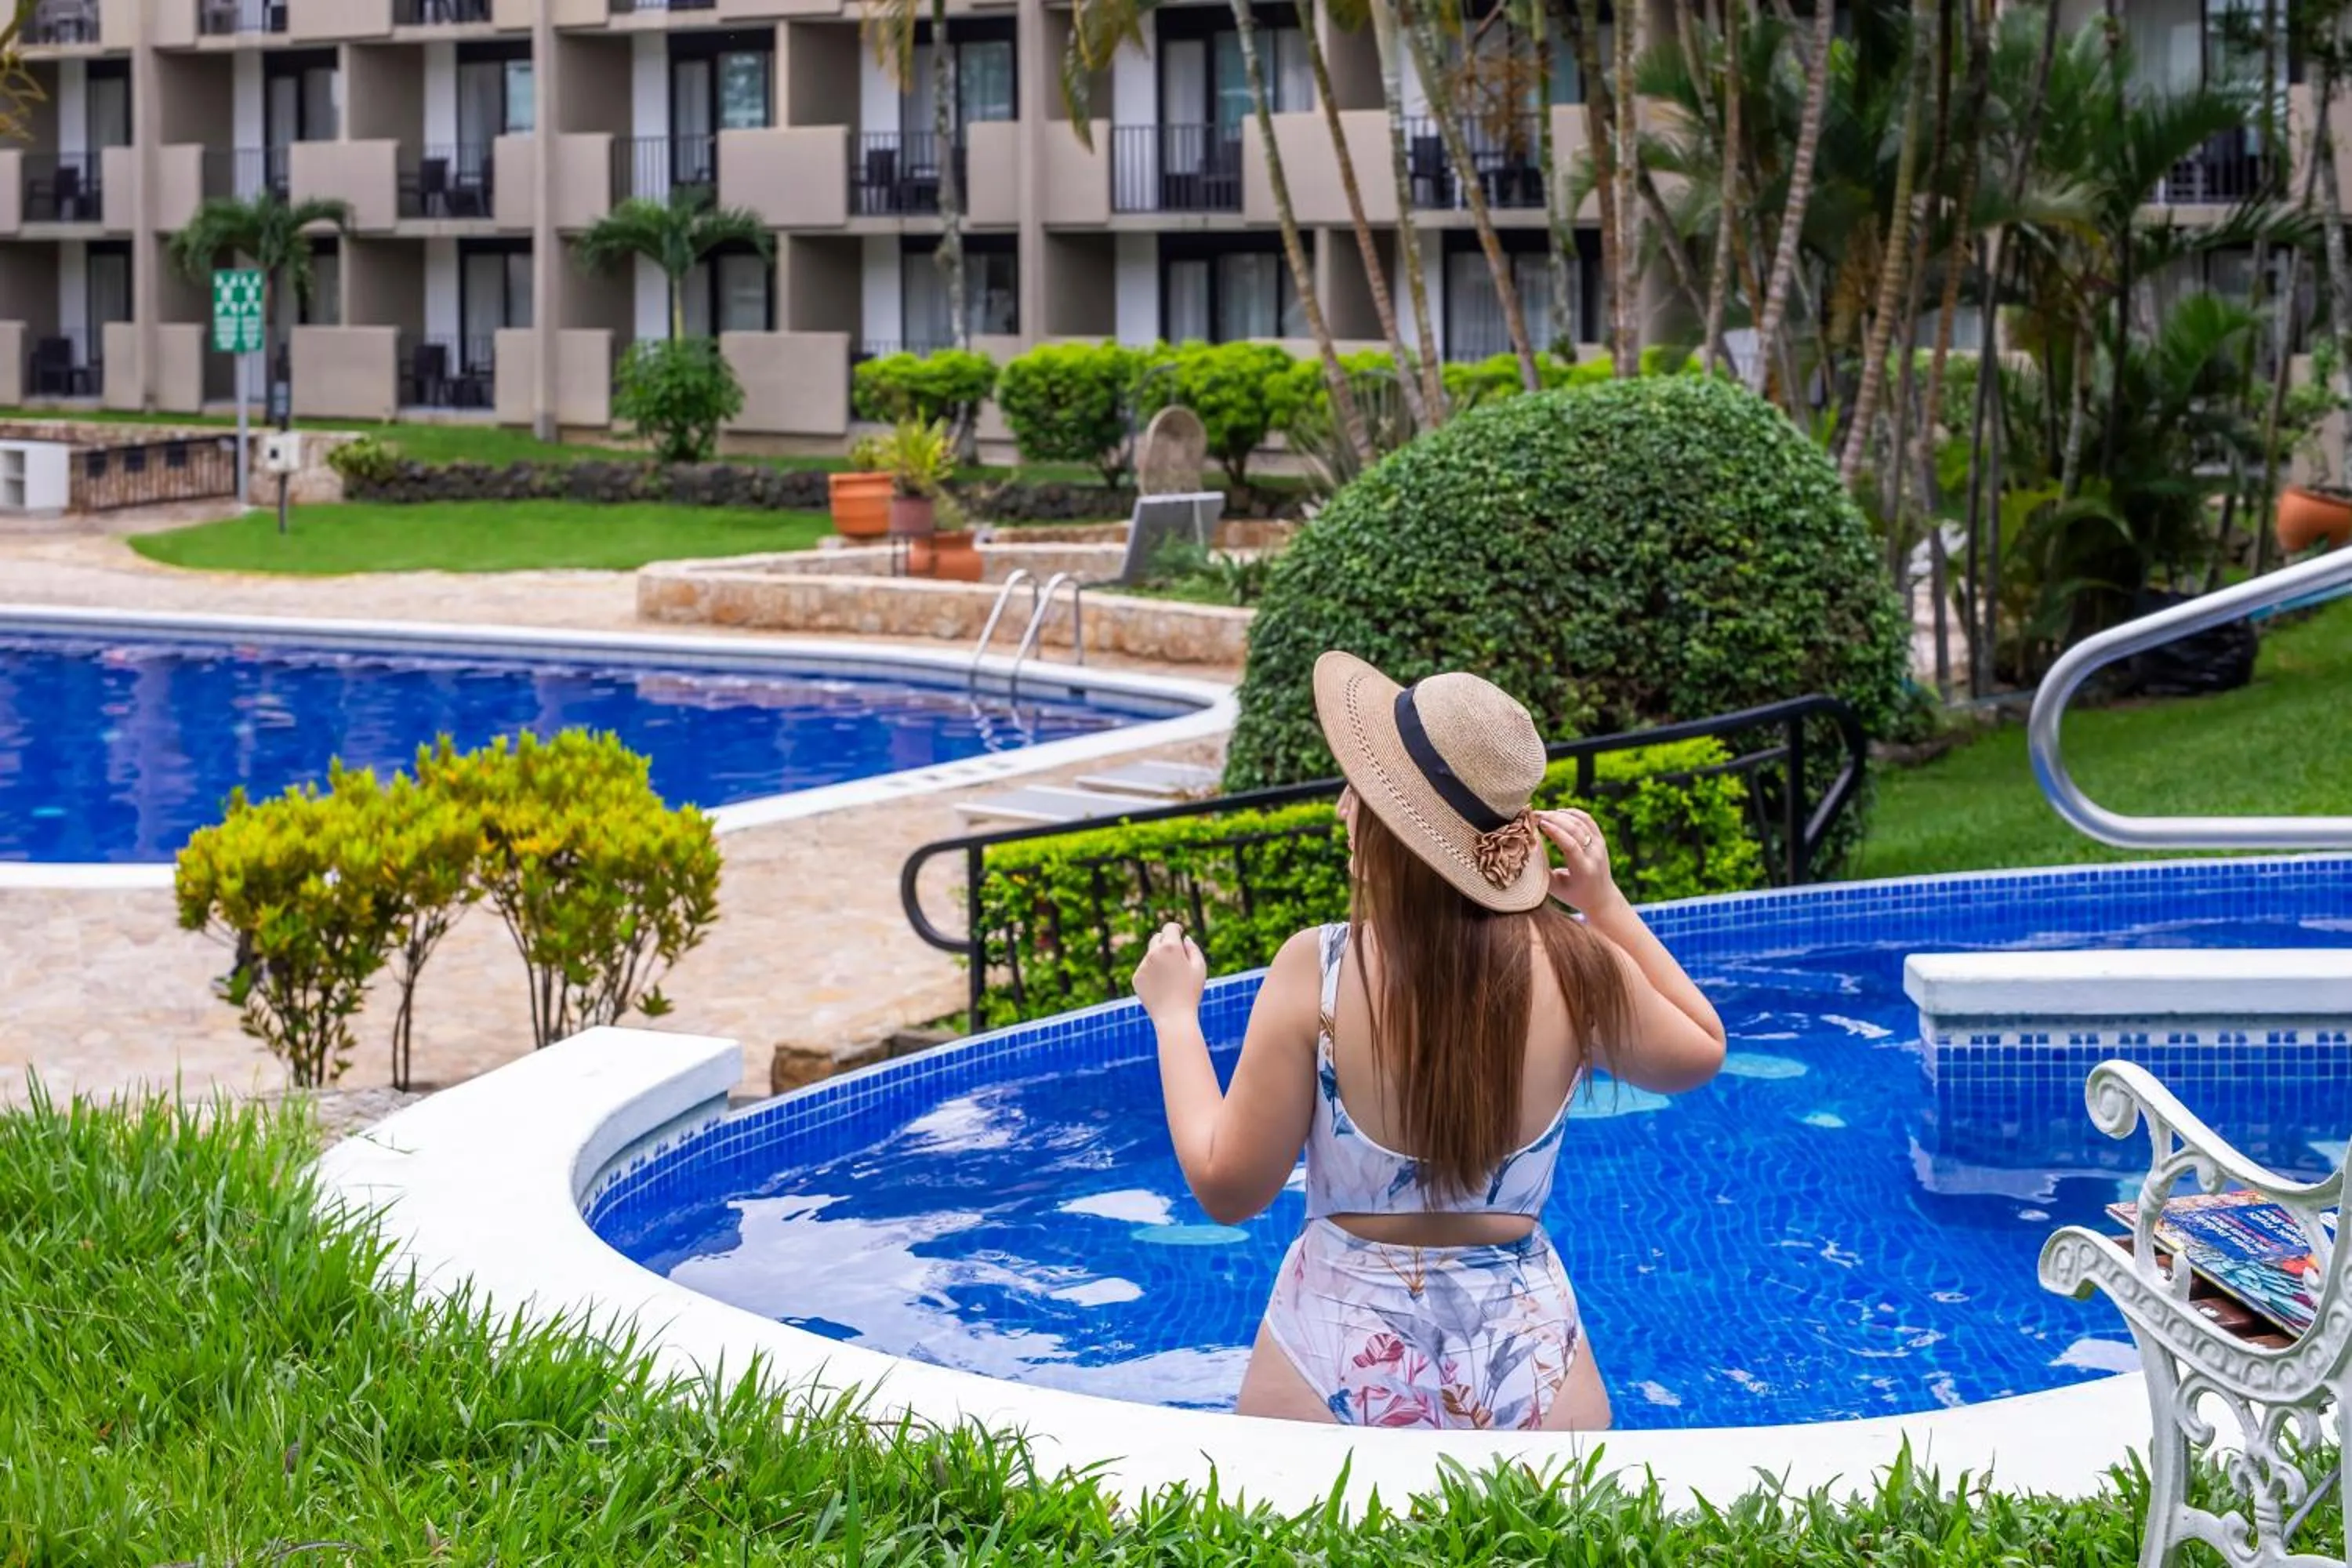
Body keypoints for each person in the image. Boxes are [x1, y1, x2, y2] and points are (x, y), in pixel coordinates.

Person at [1131, 652, 1727, 1431]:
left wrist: (1175, 1018)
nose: (1342, 806)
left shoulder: (1318, 968)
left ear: (1395, 830)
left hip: (1331, 1349)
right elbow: (1702, 1047)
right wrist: (1606, 906)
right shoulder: (1580, 968)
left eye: (1360, 787)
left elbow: (1227, 1188)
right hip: (1529, 1360)